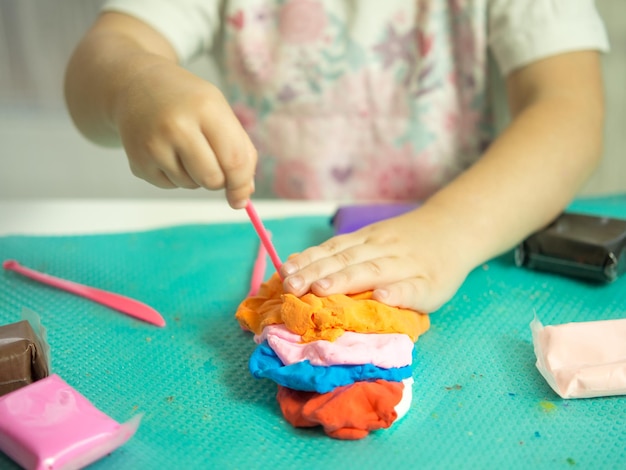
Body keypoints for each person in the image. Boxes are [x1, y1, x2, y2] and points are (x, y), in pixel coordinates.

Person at [64, 0, 609, 314]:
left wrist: (449, 233)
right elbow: (102, 55)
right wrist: (134, 82)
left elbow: (570, 112)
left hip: (463, 239)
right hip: (279, 243)